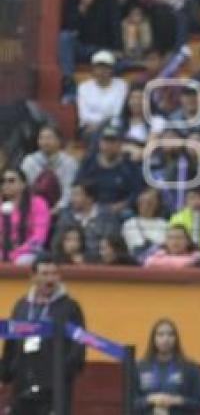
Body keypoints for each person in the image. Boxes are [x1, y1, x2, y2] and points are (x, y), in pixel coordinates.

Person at [0, 256, 86, 414]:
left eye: (54, 274)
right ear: (33, 277)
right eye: (45, 274)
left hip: (53, 391)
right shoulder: (22, 306)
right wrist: (5, 374)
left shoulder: (70, 307)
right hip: (22, 386)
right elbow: (10, 345)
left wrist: (61, 374)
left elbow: (78, 348)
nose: (50, 279)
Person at [57, 0, 123, 102]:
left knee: (116, 61)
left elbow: (115, 25)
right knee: (64, 37)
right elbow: (69, 27)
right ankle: (69, 84)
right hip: (82, 47)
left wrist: (118, 48)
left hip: (101, 48)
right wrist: (82, 8)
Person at [133, 318, 200, 414]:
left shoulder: (190, 368)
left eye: (170, 334)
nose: (165, 339)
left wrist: (177, 400)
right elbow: (131, 404)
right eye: (160, 334)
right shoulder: (140, 368)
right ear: (153, 339)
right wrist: (150, 399)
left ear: (176, 339)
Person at [75, 125, 143, 215]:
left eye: (113, 142)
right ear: (99, 143)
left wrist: (122, 205)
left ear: (120, 144)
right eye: (106, 141)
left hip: (120, 210)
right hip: (90, 207)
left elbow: (137, 192)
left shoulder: (129, 166)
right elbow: (78, 184)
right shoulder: (89, 162)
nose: (109, 145)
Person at [53, 181, 122, 262]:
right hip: (68, 262)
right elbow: (56, 244)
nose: (72, 199)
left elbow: (112, 246)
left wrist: (87, 259)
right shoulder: (66, 216)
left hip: (99, 264)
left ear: (90, 198)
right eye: (72, 195)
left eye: (76, 195)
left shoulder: (107, 217)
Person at [21, 125, 79, 212]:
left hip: (62, 209)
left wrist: (58, 208)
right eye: (41, 138)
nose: (45, 142)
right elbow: (24, 189)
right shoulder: (29, 161)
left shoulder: (69, 163)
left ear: (59, 141)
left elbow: (69, 191)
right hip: (34, 209)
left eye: (49, 138)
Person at [1, 168, 50, 265]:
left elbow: (38, 237)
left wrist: (16, 252)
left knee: (23, 261)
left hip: (28, 252)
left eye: (11, 181)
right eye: (3, 181)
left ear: (23, 184)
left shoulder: (38, 203)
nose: (5, 184)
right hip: (3, 250)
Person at [76, 50, 129, 138]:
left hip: (114, 126)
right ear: (93, 69)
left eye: (106, 67)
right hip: (89, 128)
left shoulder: (121, 86)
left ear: (112, 69)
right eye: (98, 67)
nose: (102, 71)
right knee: (95, 136)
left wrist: (100, 125)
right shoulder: (84, 87)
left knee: (109, 134)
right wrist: (102, 122)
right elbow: (84, 115)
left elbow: (117, 112)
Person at [123, 187, 169, 260]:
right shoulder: (129, 224)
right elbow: (134, 247)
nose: (145, 206)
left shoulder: (165, 225)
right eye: (142, 202)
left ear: (157, 205)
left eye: (149, 203)